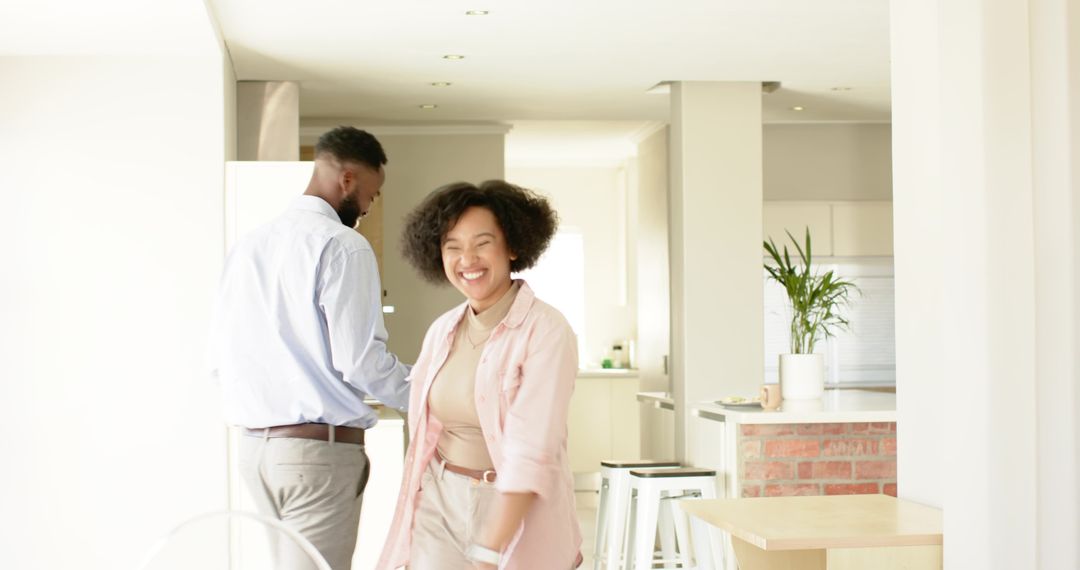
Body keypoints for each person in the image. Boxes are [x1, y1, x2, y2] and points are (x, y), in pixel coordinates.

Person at [207, 126, 411, 570]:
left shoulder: (248, 247)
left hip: (256, 452)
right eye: (372, 196)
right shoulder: (342, 245)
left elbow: (221, 355)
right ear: (349, 179)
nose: (368, 208)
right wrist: (429, 394)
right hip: (316, 457)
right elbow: (361, 362)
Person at [377, 180, 582, 570]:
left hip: (510, 505)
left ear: (514, 246)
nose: (467, 258)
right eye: (452, 246)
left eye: (482, 243)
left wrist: (490, 546)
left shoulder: (547, 330)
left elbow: (533, 448)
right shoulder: (442, 330)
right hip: (439, 496)